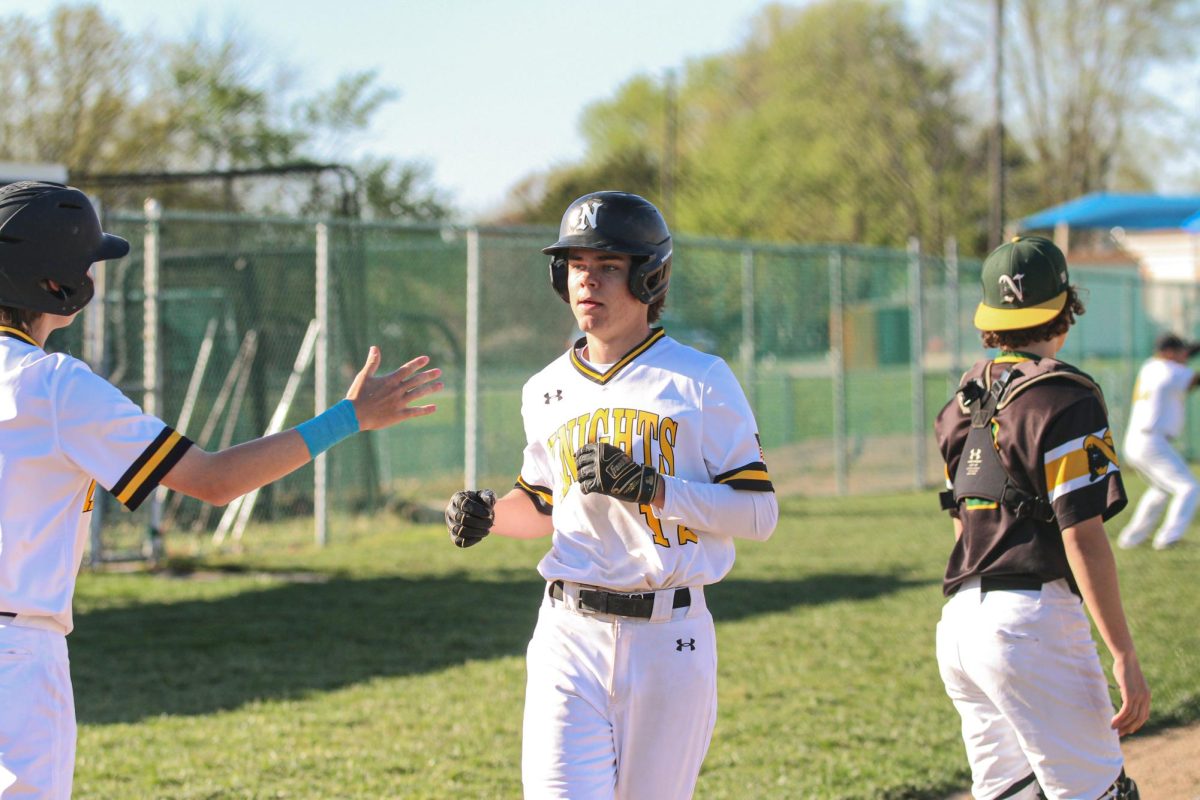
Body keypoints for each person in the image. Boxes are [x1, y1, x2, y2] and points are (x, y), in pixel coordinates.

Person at [0, 180, 443, 799]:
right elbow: (213, 481)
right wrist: (348, 417)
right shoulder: (53, 386)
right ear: (56, 284)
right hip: (15, 659)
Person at [444, 190, 777, 799]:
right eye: (575, 266)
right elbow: (543, 506)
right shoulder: (544, 388)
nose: (586, 282)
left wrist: (653, 489)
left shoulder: (699, 379)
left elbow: (758, 513)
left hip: (669, 638)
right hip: (567, 634)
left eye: (607, 267)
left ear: (649, 276)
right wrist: (490, 513)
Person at [933, 236, 1150, 800]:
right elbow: (1082, 534)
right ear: (1064, 308)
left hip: (959, 627)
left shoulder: (960, 404)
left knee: (1011, 793)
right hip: (1029, 621)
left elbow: (964, 523)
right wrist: (1123, 653)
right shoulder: (1064, 396)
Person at [1117, 332, 1200, 551]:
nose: (1184, 354)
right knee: (1189, 488)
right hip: (1152, 441)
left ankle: (1131, 538)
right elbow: (1194, 380)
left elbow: (1185, 358)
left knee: (1161, 490)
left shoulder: (1151, 366)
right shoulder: (1170, 371)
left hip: (1138, 440)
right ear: (1169, 352)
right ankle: (1168, 538)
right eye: (1179, 350)